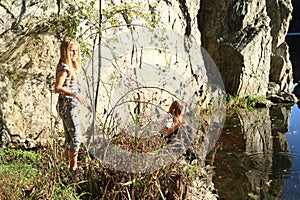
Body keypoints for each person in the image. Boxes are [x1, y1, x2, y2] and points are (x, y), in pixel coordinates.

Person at [55, 38, 85, 172]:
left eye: (76, 51)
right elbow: (57, 87)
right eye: (71, 51)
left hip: (68, 105)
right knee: (76, 137)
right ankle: (73, 168)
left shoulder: (69, 67)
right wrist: (75, 94)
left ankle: (67, 168)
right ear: (65, 52)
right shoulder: (65, 68)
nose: (74, 54)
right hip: (68, 105)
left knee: (69, 137)